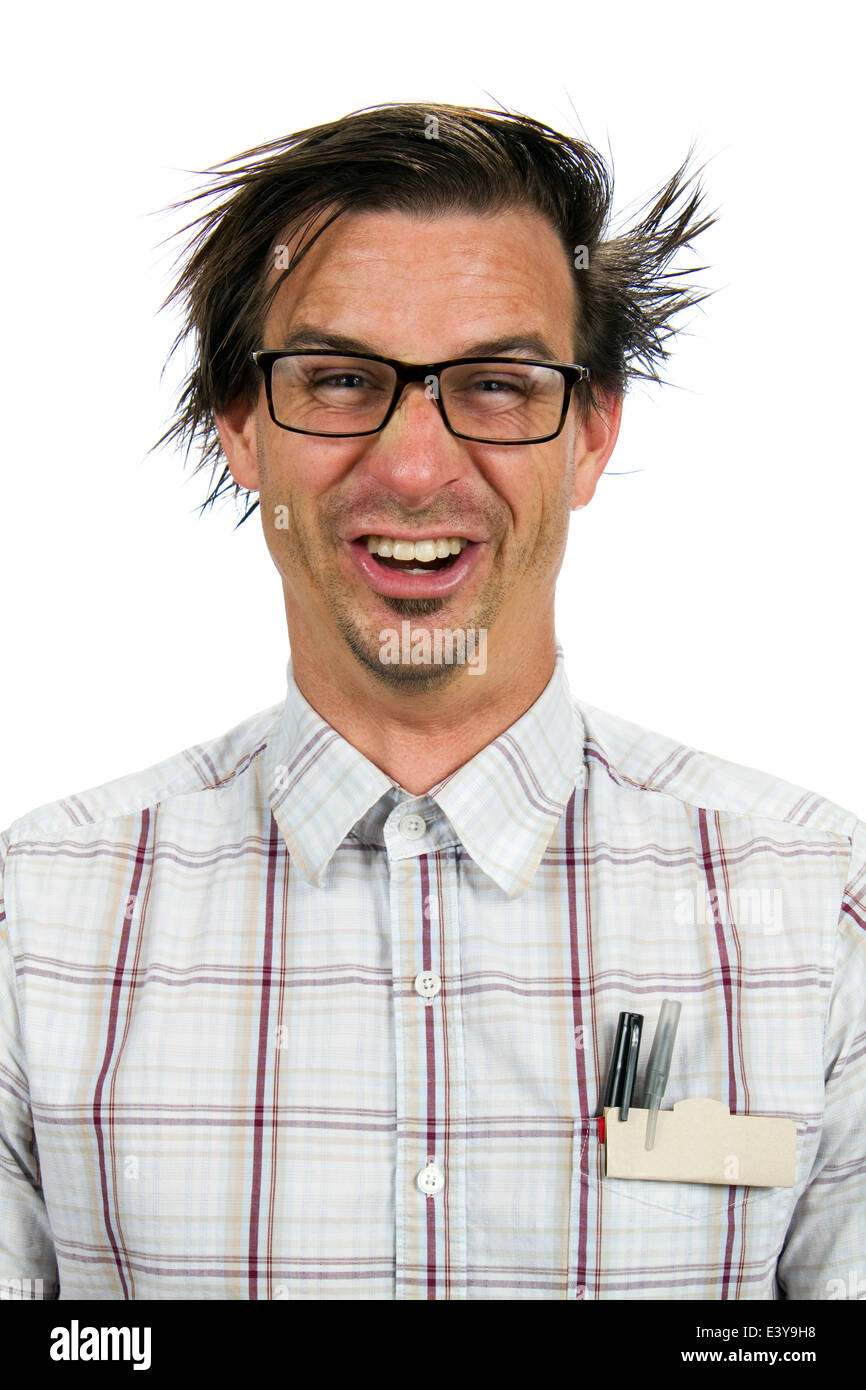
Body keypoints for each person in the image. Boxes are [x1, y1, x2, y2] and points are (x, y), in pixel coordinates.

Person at [1, 102, 863, 1302]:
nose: (412, 467)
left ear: (590, 437)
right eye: (342, 378)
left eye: (498, 384)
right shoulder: (33, 929)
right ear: (241, 429)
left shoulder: (822, 912)